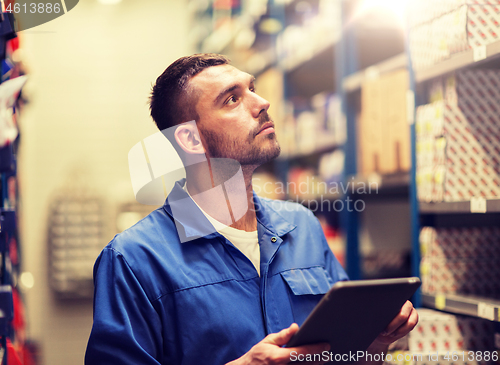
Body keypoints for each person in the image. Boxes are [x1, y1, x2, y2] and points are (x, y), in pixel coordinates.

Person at [85, 53, 418, 365]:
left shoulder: (301, 226)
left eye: (252, 89)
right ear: (189, 140)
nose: (262, 103)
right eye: (232, 98)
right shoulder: (133, 260)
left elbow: (340, 351)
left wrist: (374, 344)